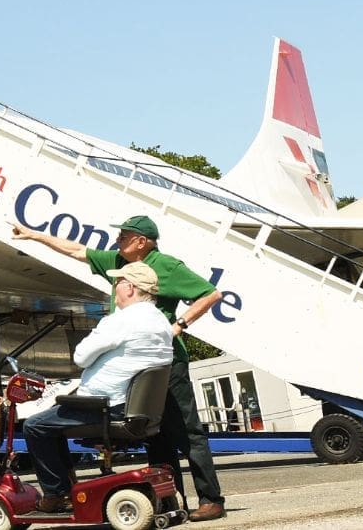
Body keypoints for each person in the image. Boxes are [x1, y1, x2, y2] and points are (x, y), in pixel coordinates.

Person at [13, 215, 228, 521]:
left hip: (165, 362)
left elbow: (211, 294)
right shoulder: (119, 261)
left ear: (142, 241)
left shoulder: (165, 266)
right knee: (155, 434)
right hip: (136, 364)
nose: (117, 241)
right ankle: (169, 499)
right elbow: (77, 251)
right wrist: (35, 235)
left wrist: (178, 325)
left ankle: (211, 498)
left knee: (186, 433)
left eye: (124, 236)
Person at [21, 262, 174, 514]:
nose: (114, 289)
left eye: (118, 283)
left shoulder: (120, 320)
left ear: (131, 288)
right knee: (51, 424)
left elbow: (80, 357)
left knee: (35, 427)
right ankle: (67, 487)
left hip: (105, 405)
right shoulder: (161, 323)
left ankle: (55, 494)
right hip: (135, 407)